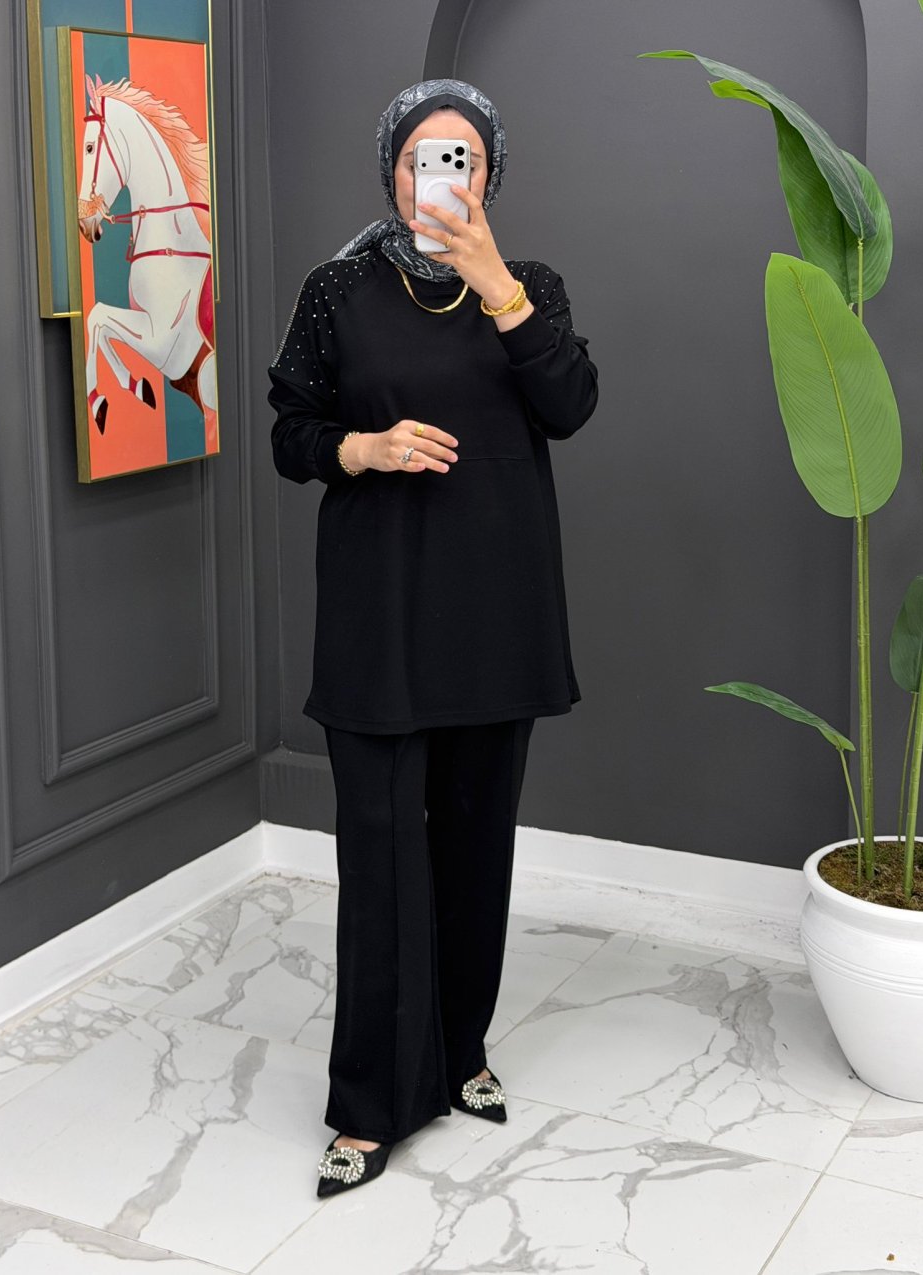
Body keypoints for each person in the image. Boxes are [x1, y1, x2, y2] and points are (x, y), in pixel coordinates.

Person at [267, 77, 598, 1198]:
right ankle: (369, 1109)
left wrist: (498, 285)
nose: (439, 176)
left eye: (462, 158)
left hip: (496, 614)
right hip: (379, 613)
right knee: (378, 857)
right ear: (392, 172)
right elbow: (291, 430)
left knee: (474, 847)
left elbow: (570, 404)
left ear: (489, 176)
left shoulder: (530, 287)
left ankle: (462, 1054)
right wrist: (359, 450)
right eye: (421, 157)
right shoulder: (337, 291)